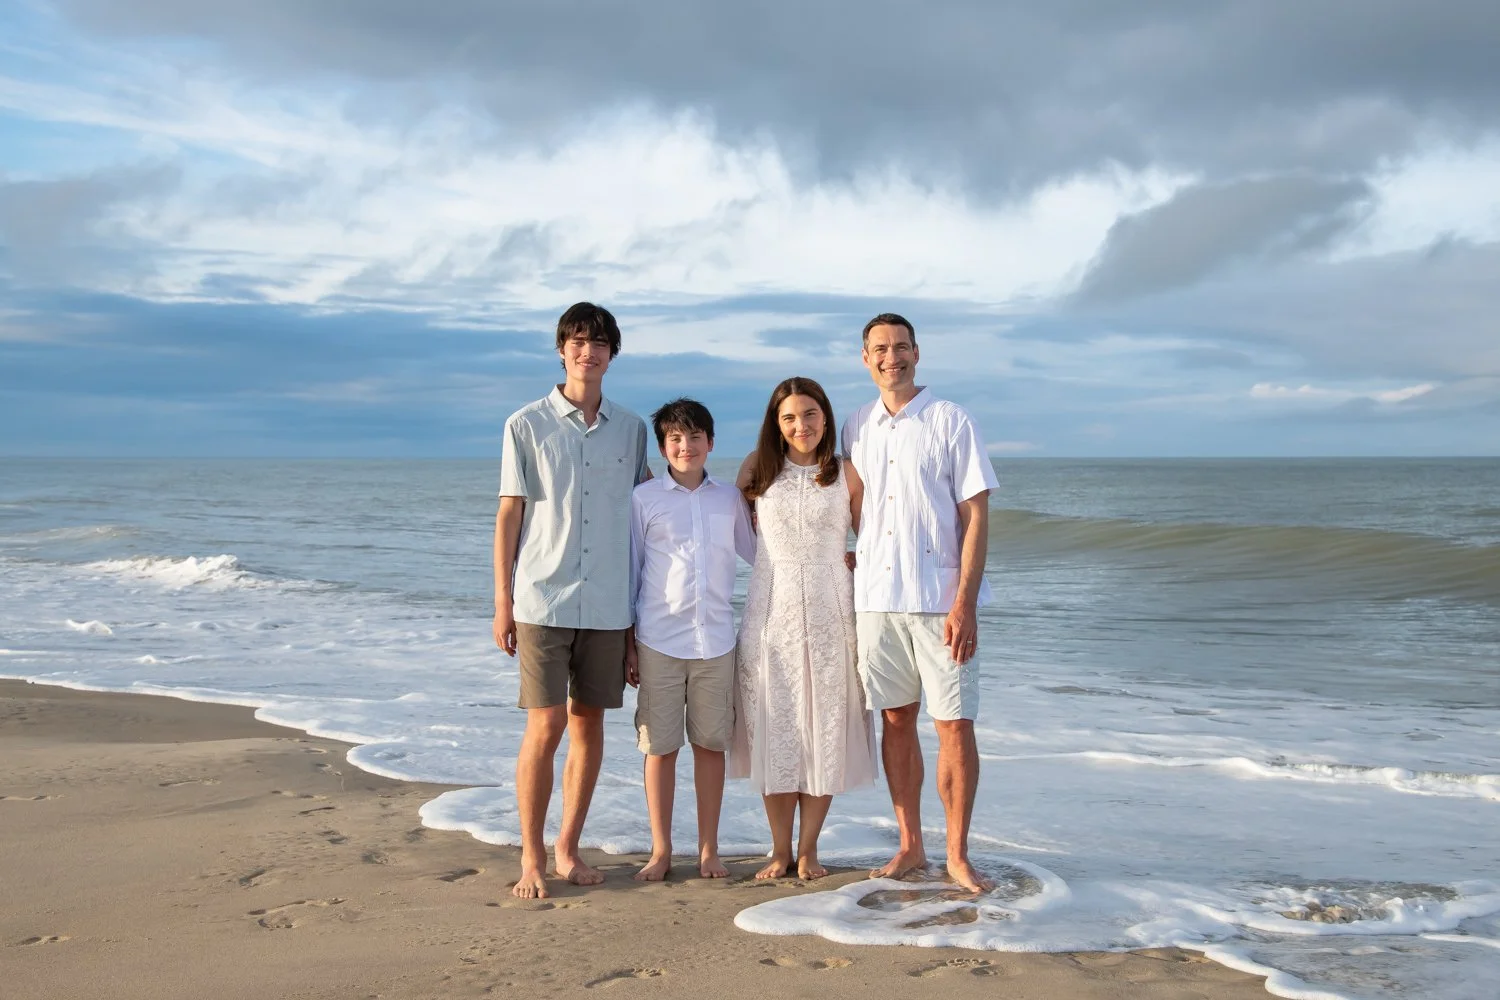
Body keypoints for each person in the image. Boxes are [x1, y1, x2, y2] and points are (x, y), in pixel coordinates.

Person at [493, 302, 651, 900]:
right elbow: (511, 513)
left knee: (590, 725)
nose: (589, 352)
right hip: (542, 598)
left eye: (600, 343)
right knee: (547, 723)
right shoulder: (525, 424)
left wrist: (639, 622)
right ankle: (531, 856)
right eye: (578, 341)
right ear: (561, 349)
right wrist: (502, 601)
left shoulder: (632, 429)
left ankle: (568, 848)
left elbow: (643, 522)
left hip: (610, 603)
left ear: (612, 354)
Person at [841, 313, 999, 894]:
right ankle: (910, 845)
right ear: (865, 358)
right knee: (895, 720)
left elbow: (976, 515)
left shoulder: (951, 420)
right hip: (876, 601)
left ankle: (957, 854)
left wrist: (967, 604)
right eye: (880, 349)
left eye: (901, 347)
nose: (892, 357)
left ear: (917, 353)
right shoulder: (856, 426)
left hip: (939, 601)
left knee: (954, 724)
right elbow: (856, 510)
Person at [732, 376, 877, 880]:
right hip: (768, 614)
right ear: (776, 423)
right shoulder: (755, 470)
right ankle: (778, 849)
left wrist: (857, 561)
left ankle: (809, 848)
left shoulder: (846, 472)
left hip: (832, 613)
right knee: (776, 731)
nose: (801, 426)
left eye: (810, 414)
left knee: (824, 731)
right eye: (789, 417)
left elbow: (875, 538)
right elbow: (727, 534)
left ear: (826, 417)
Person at [625, 398, 756, 882]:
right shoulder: (644, 499)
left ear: (710, 443)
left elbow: (759, 554)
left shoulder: (728, 499)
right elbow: (633, 571)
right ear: (663, 446)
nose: (686, 446)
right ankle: (661, 851)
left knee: (709, 745)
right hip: (658, 639)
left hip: (717, 641)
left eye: (694, 437)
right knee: (659, 748)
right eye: (676, 439)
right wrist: (628, 643)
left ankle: (708, 851)